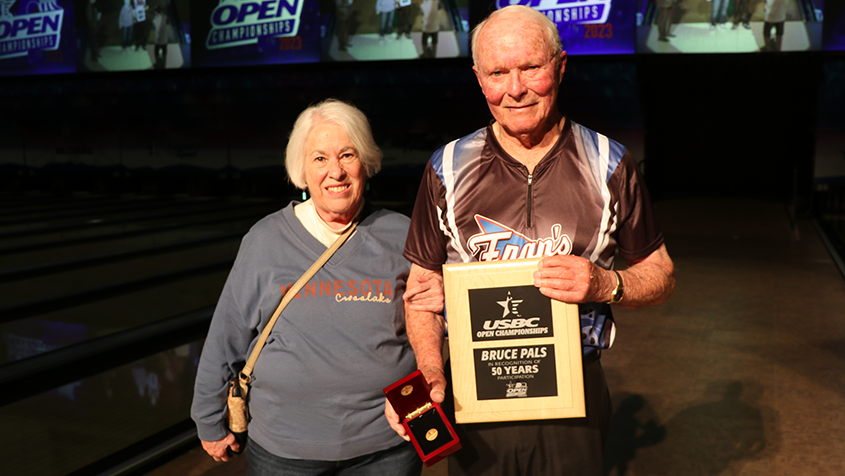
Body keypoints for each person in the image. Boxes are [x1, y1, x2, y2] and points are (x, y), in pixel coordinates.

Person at [385, 6, 675, 476]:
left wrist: (607, 285)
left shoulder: (610, 164)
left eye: (530, 68)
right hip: (469, 391)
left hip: (573, 396)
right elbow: (421, 292)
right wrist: (431, 368)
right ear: (479, 79)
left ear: (560, 67)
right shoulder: (446, 167)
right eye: (498, 73)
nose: (514, 89)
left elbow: (660, 274)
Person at [191, 99, 442, 475]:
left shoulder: (401, 234)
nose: (336, 172)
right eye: (320, 159)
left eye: (347, 155)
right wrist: (208, 419)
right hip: (284, 450)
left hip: (387, 446)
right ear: (302, 171)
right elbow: (226, 335)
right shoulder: (265, 240)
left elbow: (437, 325)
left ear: (366, 163)